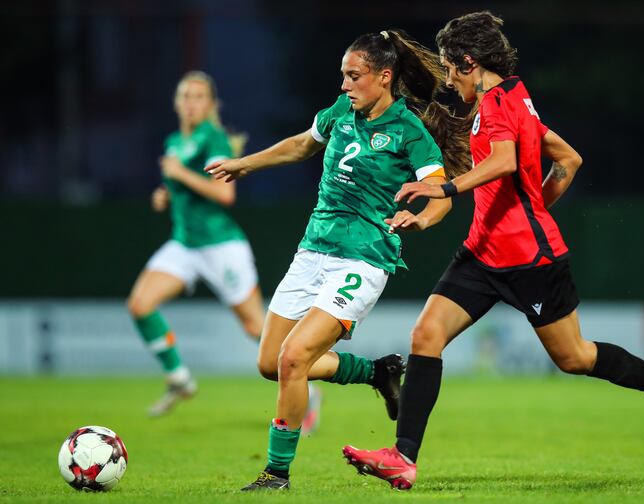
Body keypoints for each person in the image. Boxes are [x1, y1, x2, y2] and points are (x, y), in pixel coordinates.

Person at [342, 11, 644, 490]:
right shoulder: (515, 97)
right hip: (481, 253)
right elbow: (569, 159)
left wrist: (448, 191)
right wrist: (534, 205)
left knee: (573, 358)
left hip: (530, 260)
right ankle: (403, 457)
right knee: (426, 334)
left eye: (450, 68)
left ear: (469, 62)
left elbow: (507, 160)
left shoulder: (497, 105)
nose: (449, 78)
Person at [205, 29, 470, 491]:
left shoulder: (410, 131)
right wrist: (245, 164)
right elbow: (302, 145)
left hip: (363, 258)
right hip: (313, 251)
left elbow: (441, 197)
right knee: (271, 363)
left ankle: (276, 473)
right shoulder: (339, 112)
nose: (345, 85)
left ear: (384, 77)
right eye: (343, 76)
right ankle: (376, 371)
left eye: (354, 76)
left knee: (294, 358)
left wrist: (421, 219)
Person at [127, 71, 265, 417]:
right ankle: (180, 378)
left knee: (255, 327)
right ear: (176, 103)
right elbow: (181, 189)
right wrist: (164, 195)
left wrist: (178, 175)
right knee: (140, 305)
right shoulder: (175, 141)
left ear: (210, 105)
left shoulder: (212, 140)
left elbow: (225, 192)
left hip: (221, 246)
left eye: (198, 97)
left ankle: (306, 391)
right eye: (185, 96)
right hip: (185, 245)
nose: (190, 103)